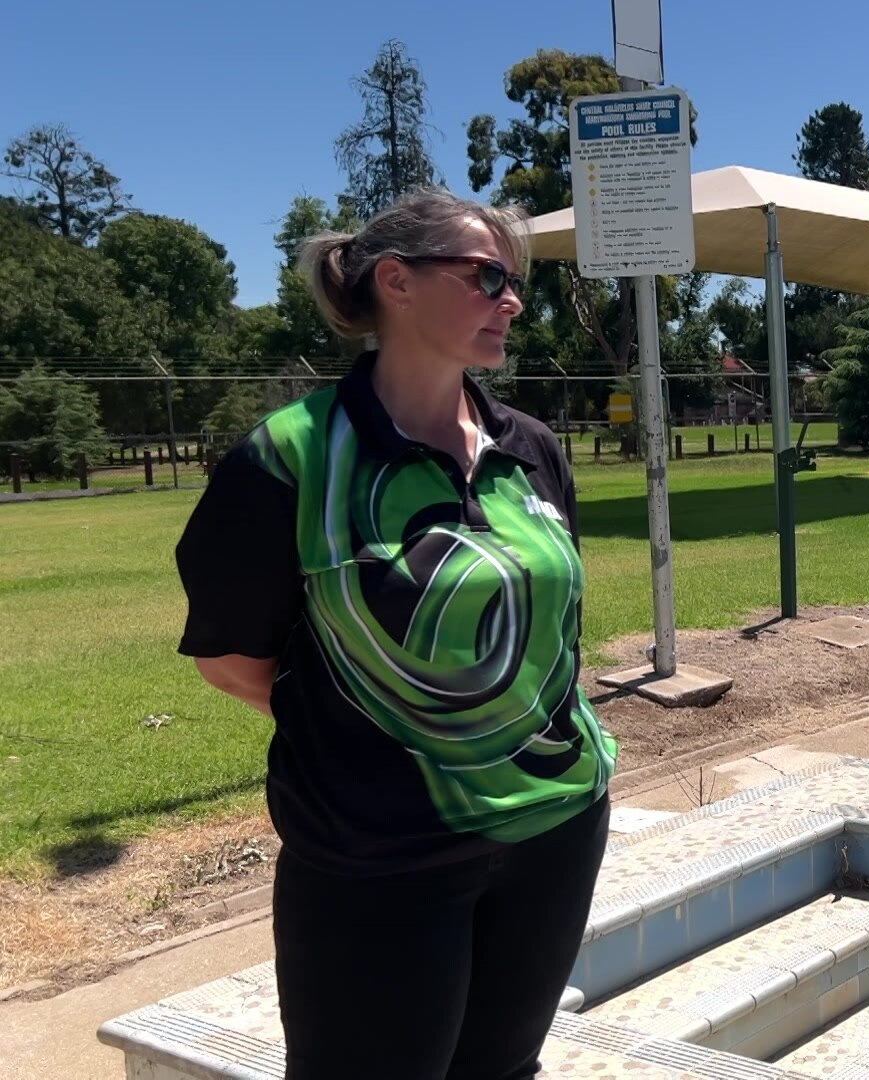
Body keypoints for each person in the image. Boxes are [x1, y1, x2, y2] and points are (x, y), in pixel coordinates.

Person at [173, 188, 617, 1080]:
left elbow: (552, 629)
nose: (513, 299)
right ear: (396, 283)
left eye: (515, 280)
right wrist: (388, 733)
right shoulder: (289, 458)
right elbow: (231, 659)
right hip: (379, 857)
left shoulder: (529, 445)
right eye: (488, 276)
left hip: (555, 829)